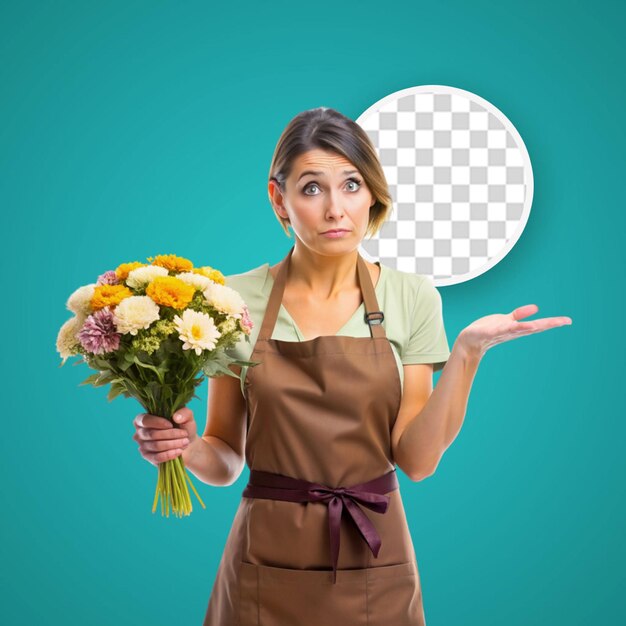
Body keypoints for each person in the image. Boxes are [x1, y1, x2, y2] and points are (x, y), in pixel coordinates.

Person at [132, 107, 572, 625]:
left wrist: (467, 354)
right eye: (312, 188)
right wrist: (183, 449)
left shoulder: (411, 296)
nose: (335, 209)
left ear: (372, 195)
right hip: (264, 562)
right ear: (281, 200)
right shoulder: (233, 300)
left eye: (351, 184)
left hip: (374, 555)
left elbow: (416, 460)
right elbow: (227, 458)